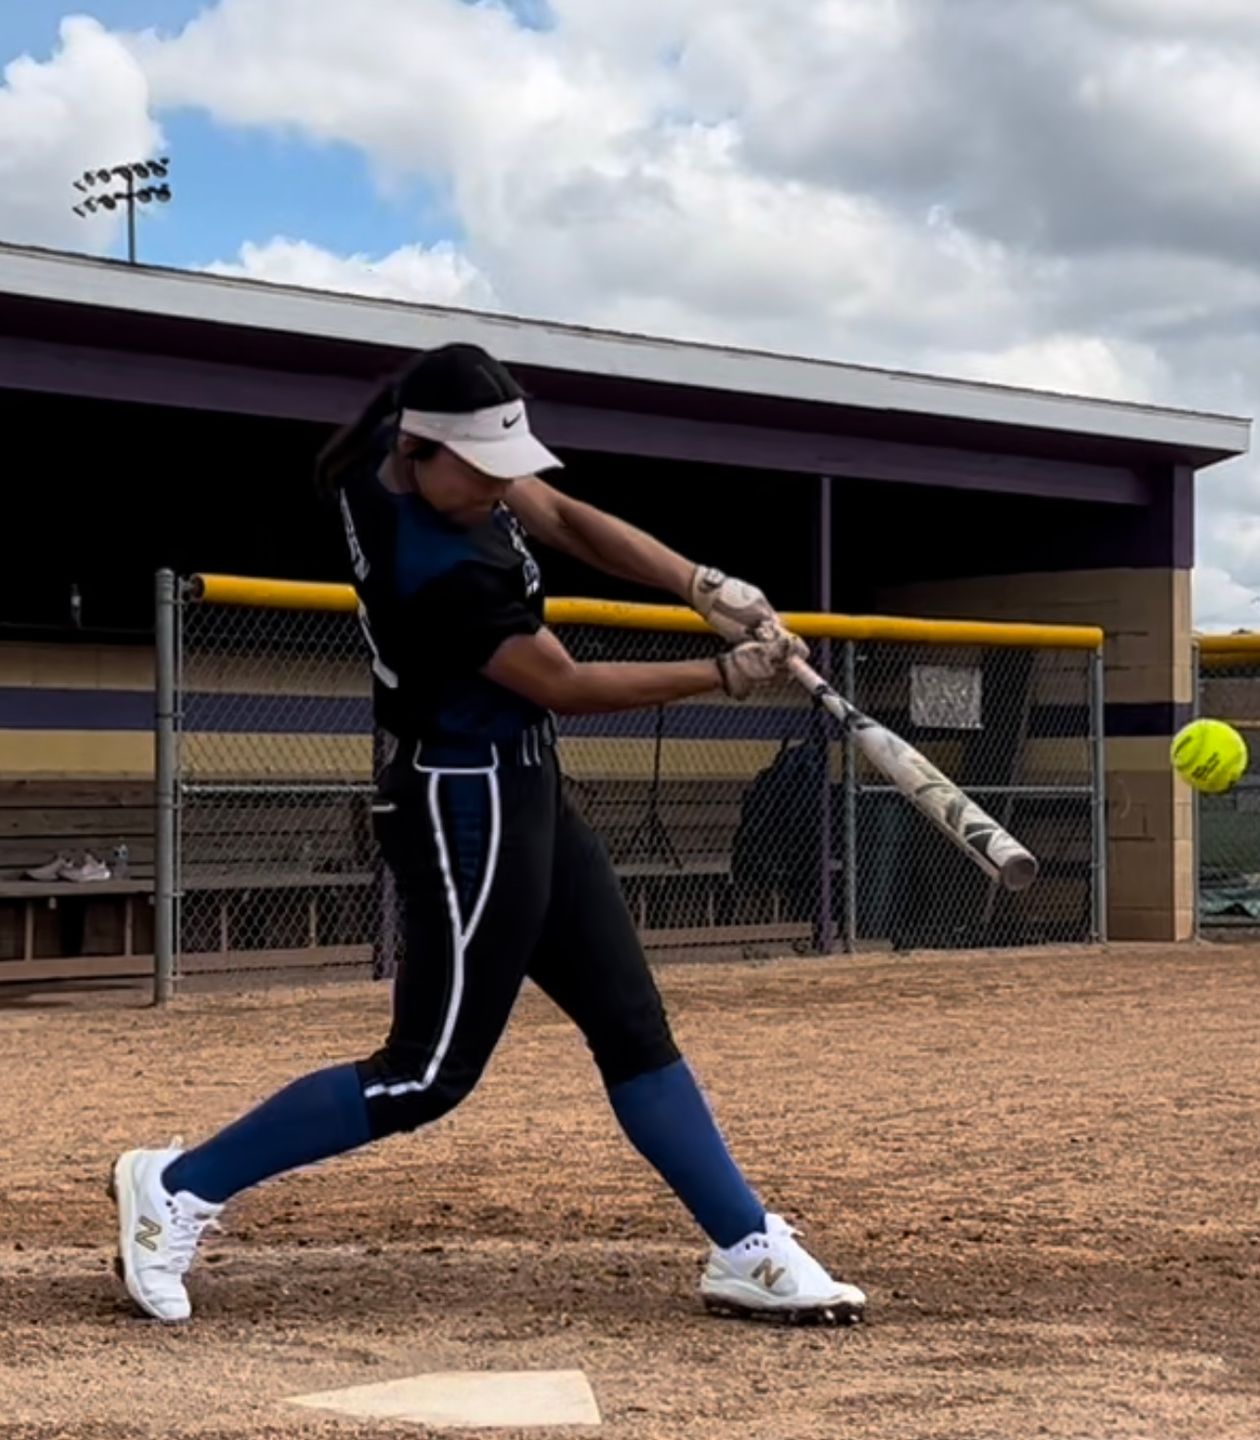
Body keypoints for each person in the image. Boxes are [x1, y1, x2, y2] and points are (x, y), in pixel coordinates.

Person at [109, 342, 867, 1328]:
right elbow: (564, 683)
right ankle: (177, 1186)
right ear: (421, 454)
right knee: (424, 1074)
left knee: (630, 1025)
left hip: (525, 783)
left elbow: (554, 511)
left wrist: (701, 583)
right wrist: (721, 675)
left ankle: (745, 1245)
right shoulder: (436, 563)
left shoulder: (406, 453)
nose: (502, 486)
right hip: (461, 804)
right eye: (481, 469)